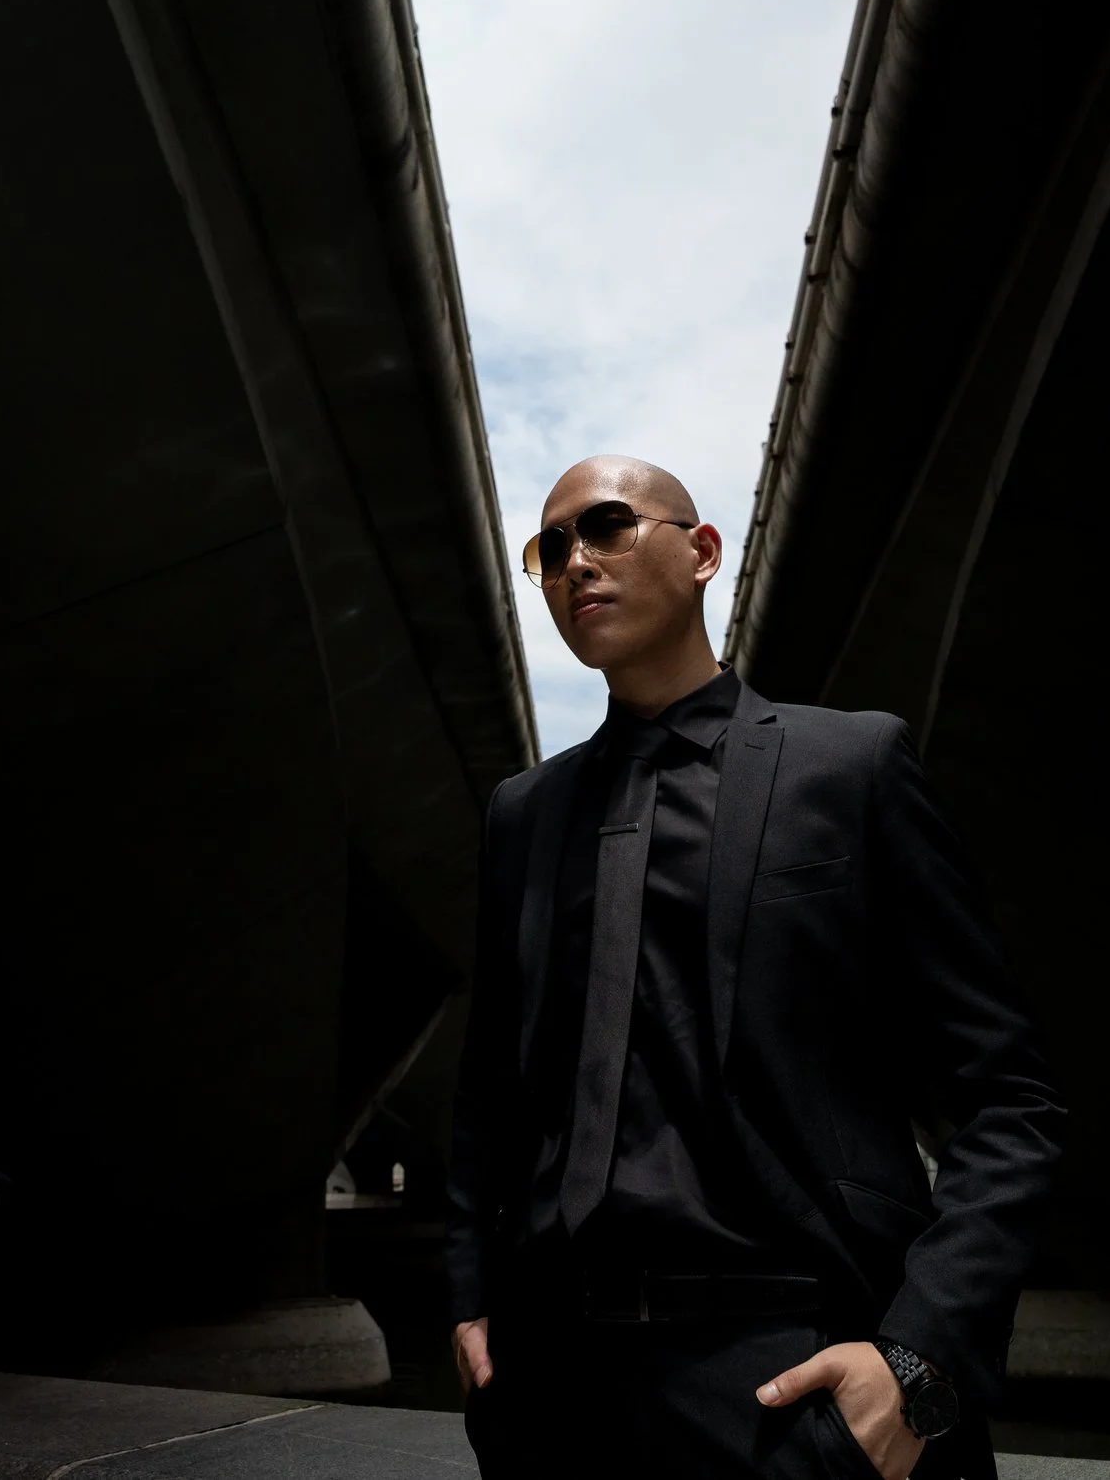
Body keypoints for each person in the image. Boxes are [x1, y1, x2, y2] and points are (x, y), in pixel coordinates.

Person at [447, 455, 1065, 1478]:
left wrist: (915, 1358)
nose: (575, 561)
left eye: (605, 525)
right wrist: (472, 1291)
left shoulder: (849, 765)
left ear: (700, 553)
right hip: (552, 1385)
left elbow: (1009, 1096)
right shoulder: (523, 813)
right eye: (550, 548)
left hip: (791, 1365)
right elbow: (490, 1090)